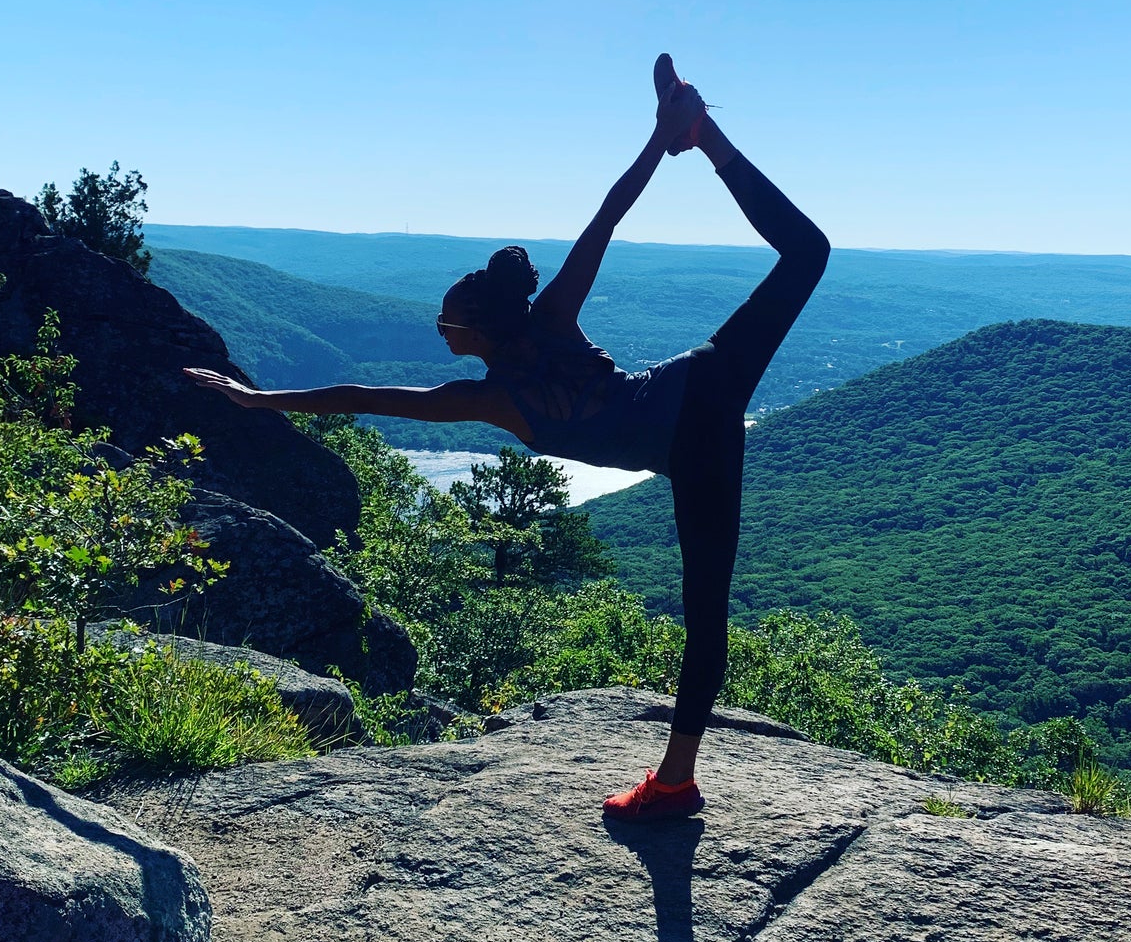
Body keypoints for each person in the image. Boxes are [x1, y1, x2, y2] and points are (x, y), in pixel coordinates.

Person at [186, 54, 829, 821]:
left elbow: (368, 392)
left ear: (475, 328)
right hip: (703, 400)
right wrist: (662, 140)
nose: (438, 320)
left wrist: (262, 402)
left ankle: (675, 782)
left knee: (705, 611)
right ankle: (706, 136)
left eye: (446, 314)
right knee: (807, 255)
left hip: (695, 418)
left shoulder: (489, 395)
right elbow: (607, 215)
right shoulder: (539, 330)